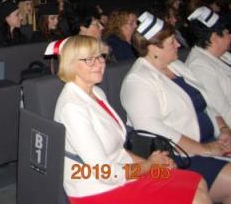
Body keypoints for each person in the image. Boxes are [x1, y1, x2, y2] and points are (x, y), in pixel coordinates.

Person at [55, 35, 208, 204]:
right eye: (89, 60)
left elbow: (118, 150)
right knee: (196, 197)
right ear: (71, 65)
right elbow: (106, 173)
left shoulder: (96, 92)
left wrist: (153, 163)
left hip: (124, 173)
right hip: (98, 190)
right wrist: (149, 166)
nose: (99, 64)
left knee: (196, 181)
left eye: (100, 57)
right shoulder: (72, 109)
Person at [121, 12, 231, 202]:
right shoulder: (138, 80)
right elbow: (153, 128)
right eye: (172, 42)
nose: (178, 45)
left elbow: (207, 103)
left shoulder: (177, 66)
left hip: (211, 142)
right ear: (154, 48)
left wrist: (223, 129)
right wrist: (204, 149)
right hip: (180, 156)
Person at [185, 6, 231, 126]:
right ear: (214, 37)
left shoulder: (222, 54)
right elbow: (222, 112)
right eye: (228, 33)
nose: (230, 36)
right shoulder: (199, 67)